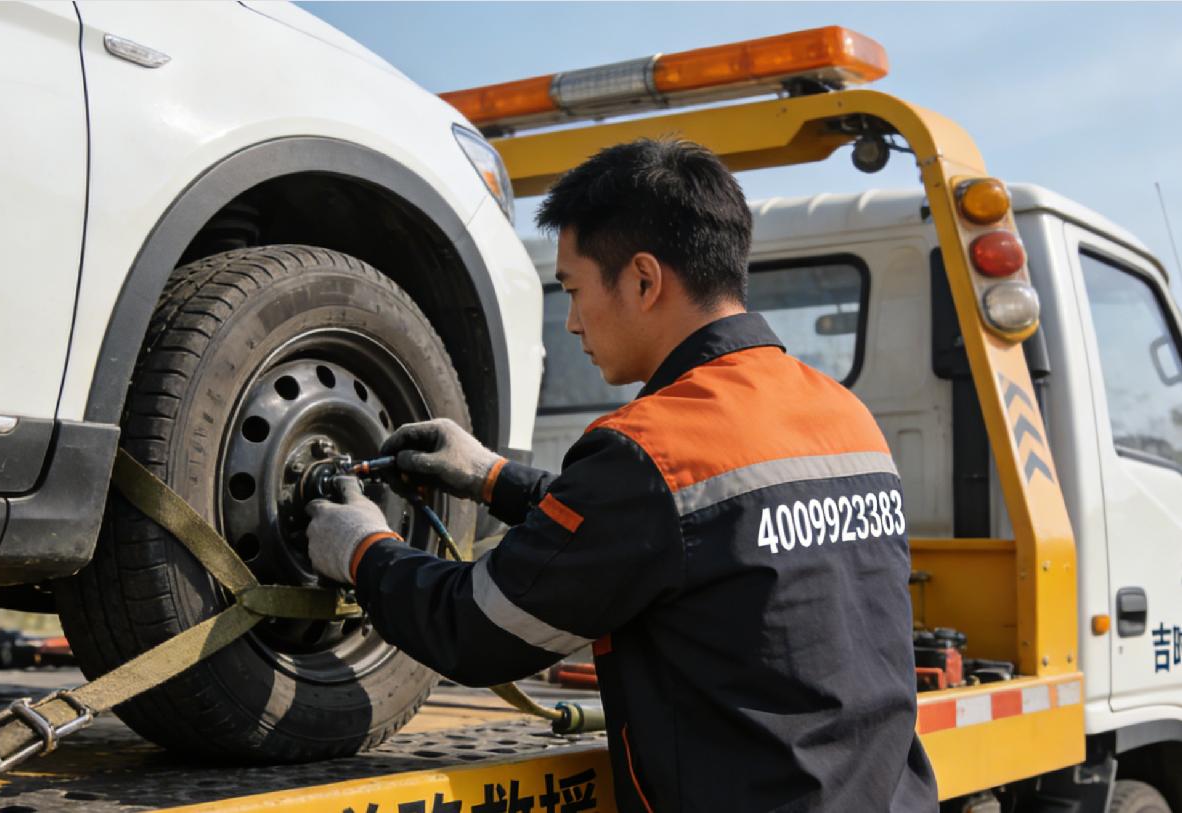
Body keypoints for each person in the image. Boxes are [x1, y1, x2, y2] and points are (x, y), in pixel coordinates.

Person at [305, 139, 938, 811]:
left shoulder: (651, 448)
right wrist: (494, 477)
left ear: (643, 279)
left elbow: (476, 628)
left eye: (574, 290)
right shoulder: (841, 412)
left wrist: (361, 548)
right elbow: (688, 536)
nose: (573, 323)